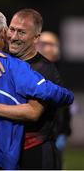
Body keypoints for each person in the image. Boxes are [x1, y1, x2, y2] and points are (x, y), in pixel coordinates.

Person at [0, 8, 74, 169]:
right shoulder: (3, 55)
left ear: (36, 37)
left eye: (22, 32)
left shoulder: (45, 70)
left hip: (33, 152)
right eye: (12, 29)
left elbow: (32, 113)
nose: (14, 37)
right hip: (5, 149)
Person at [36, 31, 72, 168]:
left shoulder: (59, 73)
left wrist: (64, 130)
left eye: (51, 44)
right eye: (43, 44)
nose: (48, 48)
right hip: (39, 136)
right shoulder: (31, 71)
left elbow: (65, 108)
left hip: (56, 133)